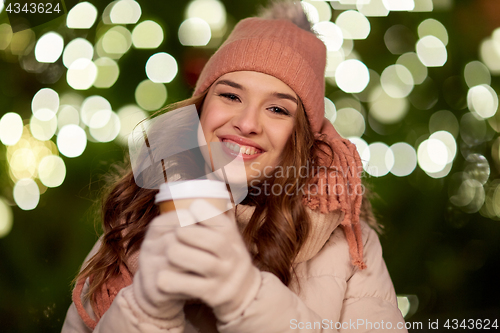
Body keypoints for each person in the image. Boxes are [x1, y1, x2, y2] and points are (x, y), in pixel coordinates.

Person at [61, 1, 408, 332]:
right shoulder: (134, 221)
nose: (246, 123)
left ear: (301, 136)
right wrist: (146, 309)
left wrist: (246, 296)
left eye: (277, 109)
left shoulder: (349, 248)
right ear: (200, 110)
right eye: (230, 96)